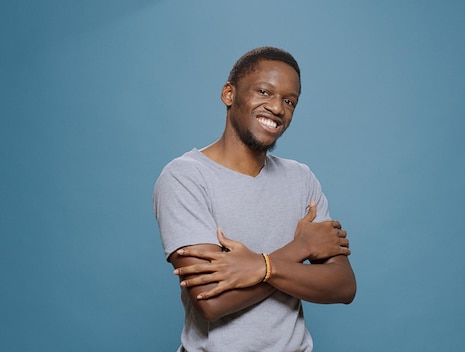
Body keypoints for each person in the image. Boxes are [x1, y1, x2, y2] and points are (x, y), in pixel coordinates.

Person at [153, 46, 356, 352]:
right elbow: (211, 300)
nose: (277, 108)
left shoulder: (301, 179)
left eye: (289, 101)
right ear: (229, 94)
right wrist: (299, 249)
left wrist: (259, 267)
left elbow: (343, 285)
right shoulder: (186, 177)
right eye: (264, 91)